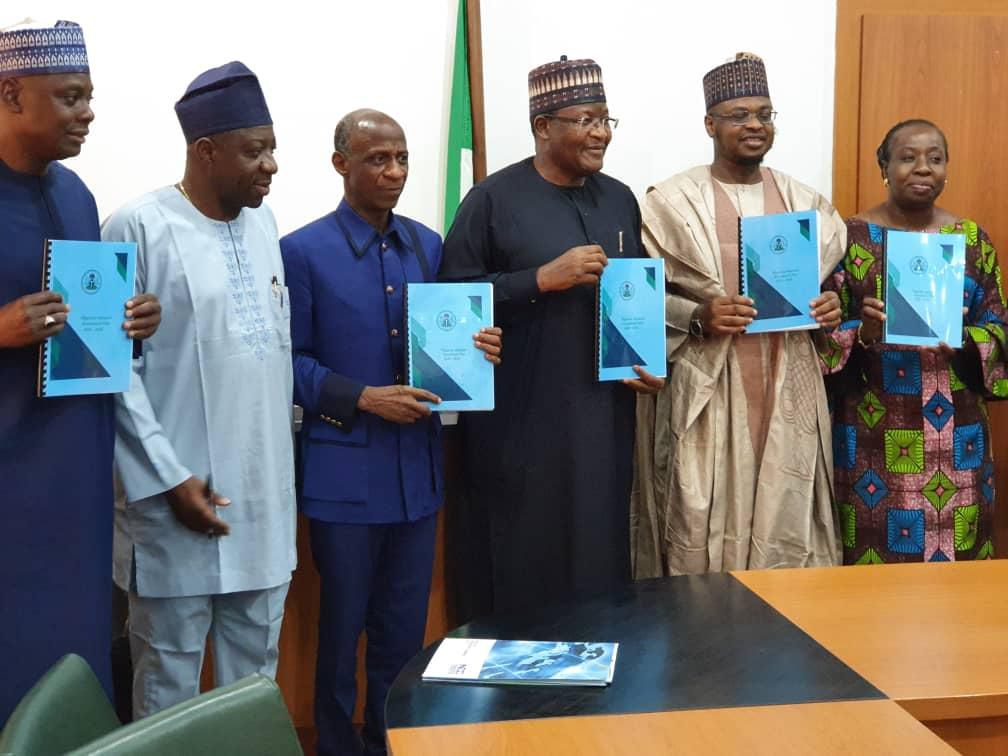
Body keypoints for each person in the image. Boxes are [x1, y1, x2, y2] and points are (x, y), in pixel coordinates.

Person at [280, 109, 501, 756]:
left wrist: (480, 343)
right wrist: (364, 398)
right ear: (341, 163)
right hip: (343, 478)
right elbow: (287, 362)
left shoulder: (431, 245)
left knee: (402, 639)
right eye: (378, 159)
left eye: (402, 158)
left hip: (417, 476)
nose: (395, 172)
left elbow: (452, 335)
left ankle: (389, 745)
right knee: (341, 631)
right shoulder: (302, 251)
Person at [439, 56, 663, 621]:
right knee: (521, 566)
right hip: (519, 429)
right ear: (543, 126)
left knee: (598, 560)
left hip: (603, 423)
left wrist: (645, 360)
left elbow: (633, 297)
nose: (601, 133)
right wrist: (538, 280)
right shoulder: (491, 201)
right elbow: (449, 302)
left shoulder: (619, 199)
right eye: (586, 120)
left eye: (607, 120)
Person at [105, 61, 296, 718]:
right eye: (254, 150)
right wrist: (167, 479)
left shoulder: (266, 226)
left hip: (262, 508)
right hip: (174, 512)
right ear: (205, 151)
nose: (271, 164)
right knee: (166, 695)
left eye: (272, 146)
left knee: (253, 697)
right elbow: (113, 374)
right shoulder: (135, 226)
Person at [631, 53, 846, 578]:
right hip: (708, 389)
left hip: (787, 384)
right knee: (699, 515)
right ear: (710, 124)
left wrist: (829, 307)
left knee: (787, 517)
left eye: (765, 114)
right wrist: (699, 314)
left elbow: (837, 294)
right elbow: (636, 299)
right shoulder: (670, 203)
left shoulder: (807, 204)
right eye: (739, 115)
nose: (755, 125)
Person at [0, 19, 160, 723]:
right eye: (69, 97)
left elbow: (86, 321)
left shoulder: (78, 197)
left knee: (73, 659)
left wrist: (131, 326)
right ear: (10, 94)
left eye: (89, 96)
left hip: (77, 475)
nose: (87, 113)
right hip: (10, 487)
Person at [822, 119, 1007, 563]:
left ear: (947, 169)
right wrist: (860, 334)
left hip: (958, 439)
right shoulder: (849, 238)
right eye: (907, 157)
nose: (922, 168)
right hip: (872, 434)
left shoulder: (970, 239)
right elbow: (821, 333)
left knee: (959, 582)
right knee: (876, 566)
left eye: (935, 158)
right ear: (884, 166)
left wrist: (966, 341)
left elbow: (999, 325)